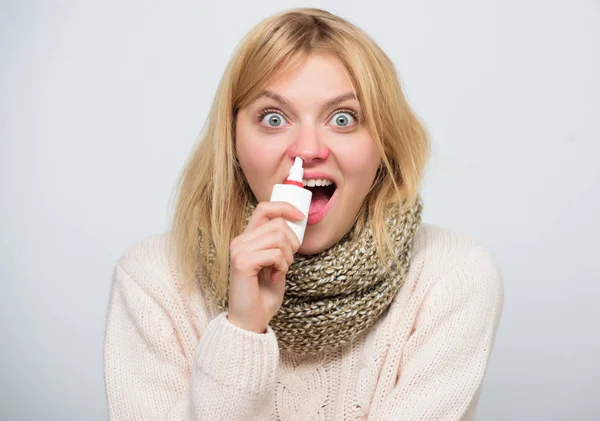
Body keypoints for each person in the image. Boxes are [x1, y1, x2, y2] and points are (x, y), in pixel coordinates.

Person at [104, 8, 503, 421]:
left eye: (343, 119)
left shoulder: (449, 278)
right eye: (274, 119)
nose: (308, 149)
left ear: (385, 145)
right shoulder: (152, 282)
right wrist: (242, 331)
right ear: (234, 144)